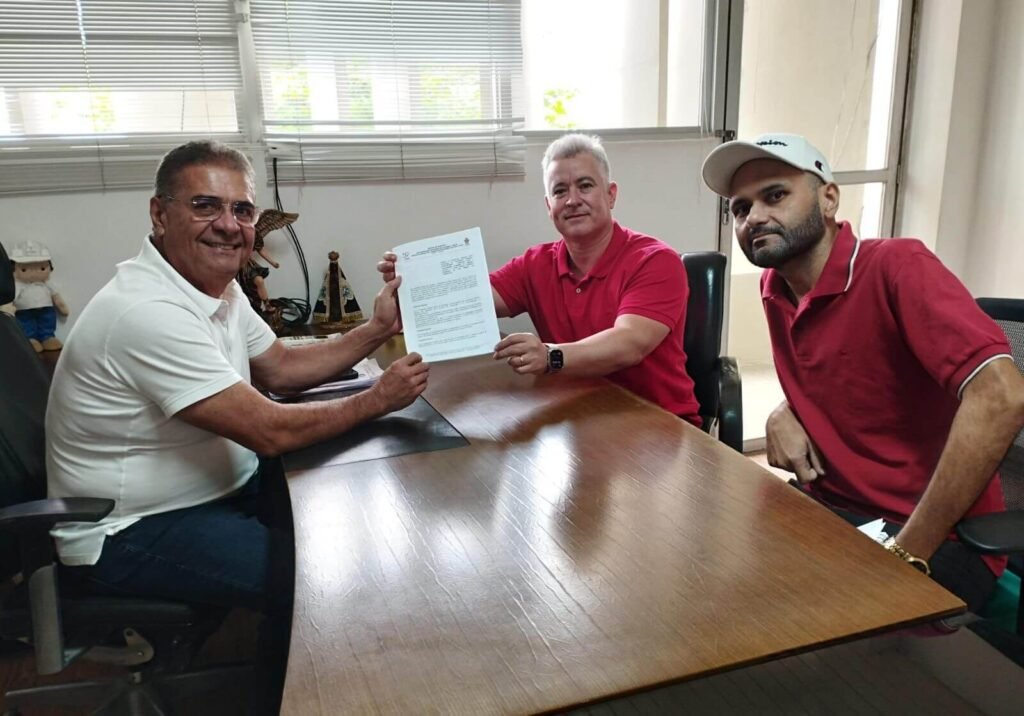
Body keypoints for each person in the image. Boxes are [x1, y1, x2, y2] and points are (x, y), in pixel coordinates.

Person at [45, 140, 429, 711]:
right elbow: (271, 431)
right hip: (129, 531)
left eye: (242, 210)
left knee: (351, 524)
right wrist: (377, 400)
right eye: (205, 206)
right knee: (319, 584)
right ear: (160, 214)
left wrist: (376, 329)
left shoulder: (217, 289)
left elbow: (283, 369)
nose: (228, 225)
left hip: (213, 491)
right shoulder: (146, 311)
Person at [701, 132, 1024, 612]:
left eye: (775, 195)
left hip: (933, 537)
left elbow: (1002, 395)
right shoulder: (776, 286)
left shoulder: (898, 266)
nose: (756, 218)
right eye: (741, 208)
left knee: (793, 641)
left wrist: (908, 552)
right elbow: (852, 369)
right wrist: (785, 409)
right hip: (833, 510)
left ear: (829, 199)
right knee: (706, 583)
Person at [378, 133, 700, 425]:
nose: (572, 200)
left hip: (661, 424)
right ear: (549, 206)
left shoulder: (655, 260)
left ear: (611, 194)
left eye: (585, 186)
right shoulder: (536, 264)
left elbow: (629, 344)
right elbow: (469, 302)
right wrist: (411, 285)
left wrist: (550, 356)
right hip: (579, 419)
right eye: (560, 191)